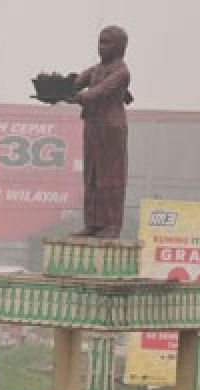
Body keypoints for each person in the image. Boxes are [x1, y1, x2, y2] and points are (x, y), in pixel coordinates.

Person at [67, 26, 132, 238]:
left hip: (112, 129)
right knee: (92, 176)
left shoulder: (121, 72)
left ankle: (112, 225)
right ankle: (93, 223)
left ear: (120, 47)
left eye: (106, 43)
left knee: (111, 177)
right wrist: (58, 87)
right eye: (99, 42)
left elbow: (98, 92)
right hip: (93, 126)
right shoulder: (95, 70)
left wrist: (76, 97)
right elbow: (76, 83)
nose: (100, 47)